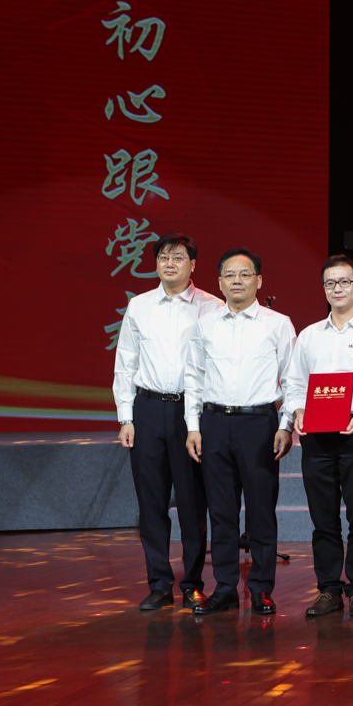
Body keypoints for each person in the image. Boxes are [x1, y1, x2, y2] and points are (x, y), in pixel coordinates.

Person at [111, 233, 222, 611]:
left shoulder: (212, 307)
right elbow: (125, 363)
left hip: (192, 413)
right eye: (163, 257)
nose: (169, 263)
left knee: (193, 503)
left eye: (178, 257)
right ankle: (159, 584)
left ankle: (192, 583)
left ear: (193, 265)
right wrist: (126, 417)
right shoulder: (140, 306)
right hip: (147, 409)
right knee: (151, 502)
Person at [282, 255, 353, 619]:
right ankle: (329, 590)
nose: (337, 289)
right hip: (316, 435)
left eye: (344, 282)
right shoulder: (309, 336)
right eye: (330, 283)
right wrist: (297, 411)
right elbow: (294, 384)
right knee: (323, 518)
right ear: (324, 289)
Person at [183, 247, 295, 616]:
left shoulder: (277, 324)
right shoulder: (205, 325)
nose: (237, 281)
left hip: (259, 424)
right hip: (214, 423)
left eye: (245, 274)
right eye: (229, 275)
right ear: (219, 282)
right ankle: (226, 587)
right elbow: (193, 378)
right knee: (221, 512)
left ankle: (261, 589)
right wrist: (193, 426)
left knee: (261, 510)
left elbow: (292, 380)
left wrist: (285, 425)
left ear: (259, 281)